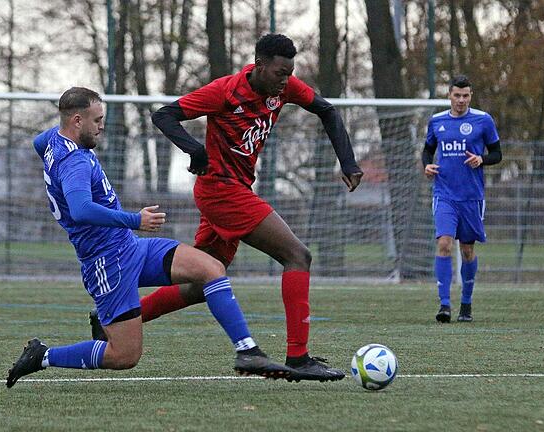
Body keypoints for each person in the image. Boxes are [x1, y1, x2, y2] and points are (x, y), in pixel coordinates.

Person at [95, 33, 363, 383]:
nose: (286, 80)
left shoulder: (284, 89)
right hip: (221, 192)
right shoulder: (226, 91)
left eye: (290, 73)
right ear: (260, 65)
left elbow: (326, 110)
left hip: (231, 190)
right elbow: (165, 115)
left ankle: (110, 321)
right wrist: (196, 150)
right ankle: (298, 357)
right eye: (281, 72)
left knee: (199, 283)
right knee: (298, 255)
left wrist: (348, 162)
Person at [6, 87, 293, 388]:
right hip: (107, 264)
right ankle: (44, 356)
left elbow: (39, 143)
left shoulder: (52, 141)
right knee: (124, 356)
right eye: (97, 120)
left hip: (130, 248)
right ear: (77, 121)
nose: (102, 126)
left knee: (211, 269)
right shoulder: (75, 161)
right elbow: (80, 210)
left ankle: (247, 352)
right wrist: (135, 220)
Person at [422, 75, 502, 323]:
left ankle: (466, 303)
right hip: (444, 194)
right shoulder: (437, 122)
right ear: (449, 95)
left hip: (471, 197)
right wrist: (427, 165)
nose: (461, 100)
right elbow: (427, 149)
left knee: (467, 250)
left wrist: (482, 160)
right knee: (444, 243)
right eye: (457, 95)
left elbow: (497, 153)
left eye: (465, 95)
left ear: (471, 96)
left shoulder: (483, 120)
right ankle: (444, 305)